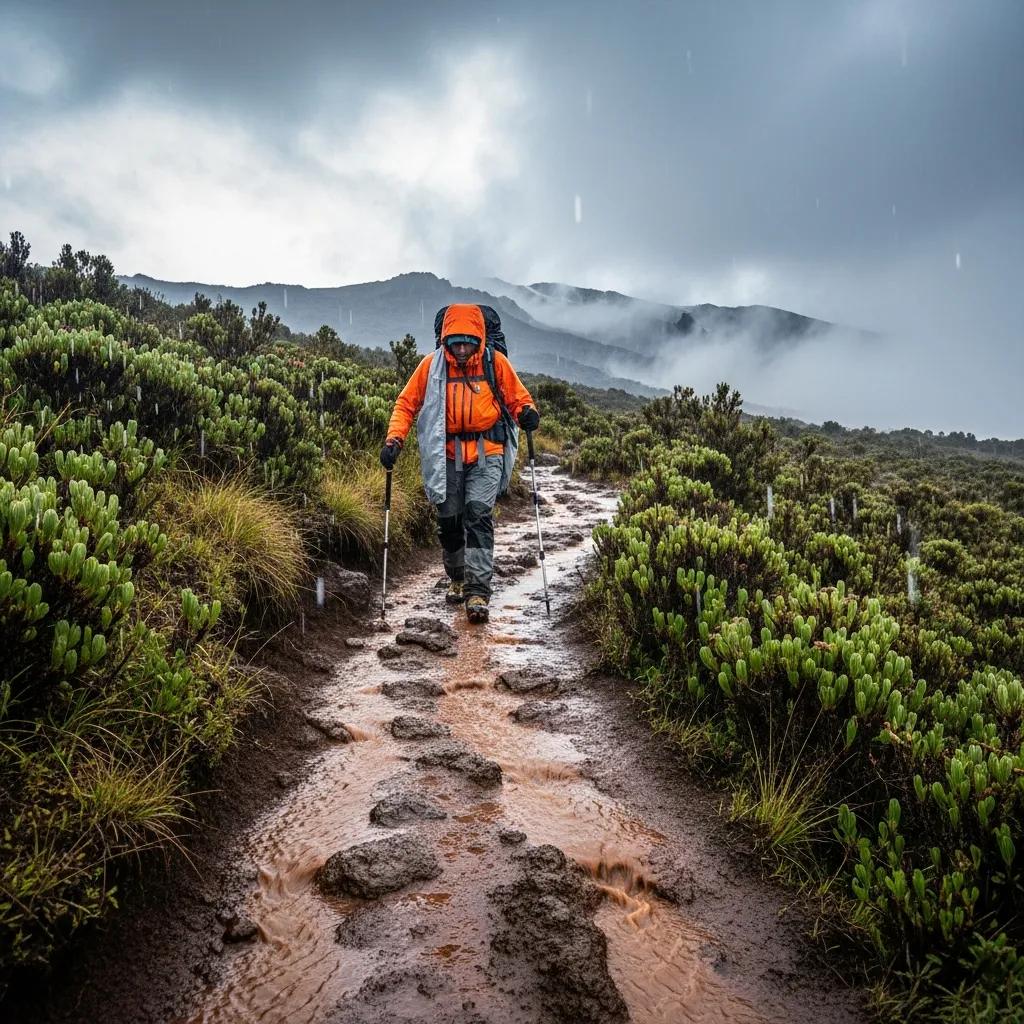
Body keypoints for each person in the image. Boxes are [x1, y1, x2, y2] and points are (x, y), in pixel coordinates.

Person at [380, 303, 539, 624]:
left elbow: (517, 396)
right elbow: (406, 404)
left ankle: (478, 591)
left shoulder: (496, 363)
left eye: (468, 342)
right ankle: (457, 576)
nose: (463, 349)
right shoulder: (431, 366)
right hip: (447, 453)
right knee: (449, 519)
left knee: (479, 515)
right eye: (456, 343)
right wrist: (394, 439)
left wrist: (526, 412)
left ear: (479, 339)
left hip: (487, 451)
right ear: (445, 341)